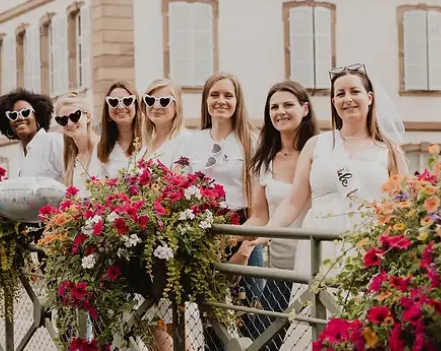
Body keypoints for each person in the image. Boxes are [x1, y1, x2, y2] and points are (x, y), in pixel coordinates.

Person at [247, 63, 408, 351]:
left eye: (354, 91)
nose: (348, 99)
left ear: (369, 97)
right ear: (333, 102)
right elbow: (294, 201)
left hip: (365, 248)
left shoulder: (389, 150)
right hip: (318, 247)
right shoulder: (318, 146)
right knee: (314, 327)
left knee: (363, 328)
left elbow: (403, 207)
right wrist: (266, 231)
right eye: (340, 93)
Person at [173, 73, 263, 350]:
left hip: (243, 229)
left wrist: (244, 250)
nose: (221, 101)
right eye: (214, 95)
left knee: (249, 315)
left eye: (228, 95)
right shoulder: (191, 141)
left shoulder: (251, 140)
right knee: (211, 318)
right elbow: (178, 187)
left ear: (238, 101)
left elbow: (261, 205)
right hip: (203, 233)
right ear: (206, 100)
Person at [237, 81, 319, 350]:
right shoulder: (263, 161)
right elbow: (259, 215)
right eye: (274, 107)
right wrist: (237, 239)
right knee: (266, 339)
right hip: (278, 267)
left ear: (305, 109)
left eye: (287, 105)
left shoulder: (322, 153)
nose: (280, 111)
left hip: (315, 264)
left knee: (313, 337)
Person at [138, 79, 195, 350]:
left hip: (165, 244)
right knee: (148, 321)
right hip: (143, 240)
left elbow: (179, 187)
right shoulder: (145, 144)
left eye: (164, 101)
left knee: (170, 323)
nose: (156, 106)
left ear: (177, 106)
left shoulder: (184, 140)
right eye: (150, 100)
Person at [0, 88, 63, 183]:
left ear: (38, 118)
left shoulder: (54, 141)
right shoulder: (22, 154)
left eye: (25, 112)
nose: (19, 118)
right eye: (13, 115)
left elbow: (74, 178)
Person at [55, 91, 101, 198]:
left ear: (88, 117)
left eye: (74, 116)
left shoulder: (104, 148)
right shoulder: (70, 159)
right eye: (63, 120)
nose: (69, 123)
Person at [98, 81, 142, 179]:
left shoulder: (151, 142)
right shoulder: (101, 148)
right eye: (114, 102)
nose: (121, 107)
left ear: (136, 106)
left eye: (127, 101)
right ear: (107, 111)